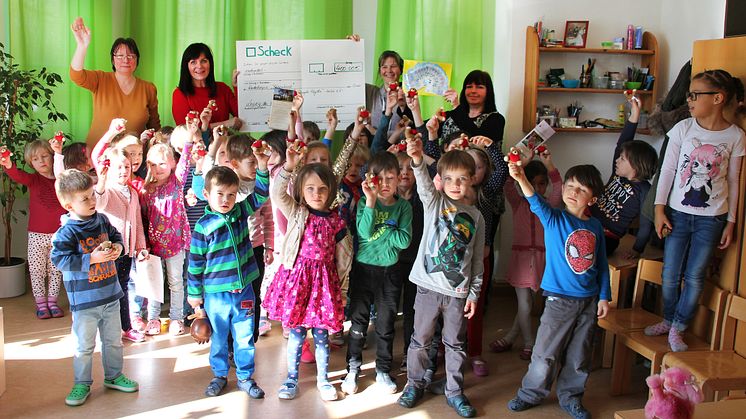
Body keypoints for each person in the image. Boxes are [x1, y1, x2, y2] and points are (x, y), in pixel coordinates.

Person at [645, 69, 746, 352]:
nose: (688, 100)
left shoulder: (736, 136)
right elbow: (667, 171)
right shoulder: (683, 129)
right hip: (677, 214)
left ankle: (679, 326)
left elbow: (735, 181)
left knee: (695, 275)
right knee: (670, 273)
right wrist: (659, 209)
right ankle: (668, 318)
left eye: (694, 95)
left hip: (711, 219)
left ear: (717, 98)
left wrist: (731, 222)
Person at [505, 162, 609, 419]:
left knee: (579, 355)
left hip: (588, 301)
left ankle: (571, 397)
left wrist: (605, 296)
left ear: (592, 199)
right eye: (570, 185)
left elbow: (602, 264)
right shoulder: (554, 218)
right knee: (544, 354)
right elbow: (534, 200)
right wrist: (519, 177)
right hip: (559, 301)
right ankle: (529, 394)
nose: (573, 191)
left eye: (581, 189)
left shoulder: (595, 227)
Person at [397, 135, 485, 418]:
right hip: (428, 287)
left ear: (472, 179)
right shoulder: (434, 204)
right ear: (442, 180)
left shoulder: (477, 217)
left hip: (457, 293)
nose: (456, 185)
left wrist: (473, 293)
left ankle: (454, 391)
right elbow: (422, 181)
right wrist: (418, 159)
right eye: (449, 179)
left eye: (462, 179)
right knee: (420, 340)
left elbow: (477, 262)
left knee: (455, 344)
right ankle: (414, 383)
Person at [262, 148, 353, 401]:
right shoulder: (297, 213)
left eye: (322, 189)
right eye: (310, 188)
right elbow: (276, 193)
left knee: (322, 334)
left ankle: (323, 380)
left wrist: (342, 292)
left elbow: (344, 261)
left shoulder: (337, 223)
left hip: (323, 286)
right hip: (298, 283)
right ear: (301, 190)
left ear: (331, 192)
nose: (316, 194)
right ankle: (291, 378)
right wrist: (289, 168)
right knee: (297, 333)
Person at [50, 169, 139, 406]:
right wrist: (92, 259)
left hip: (110, 296)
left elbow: (116, 236)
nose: (92, 201)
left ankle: (114, 375)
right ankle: (81, 383)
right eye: (85, 198)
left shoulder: (101, 219)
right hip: (85, 303)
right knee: (84, 346)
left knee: (113, 341)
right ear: (69, 205)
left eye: (92, 195)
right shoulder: (66, 232)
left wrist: (119, 248)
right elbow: (59, 260)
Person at [187, 160, 269, 398]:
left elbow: (261, 195)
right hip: (216, 295)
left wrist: (262, 168)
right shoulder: (203, 227)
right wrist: (195, 296)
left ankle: (245, 377)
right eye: (220, 194)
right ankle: (219, 375)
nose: (226, 200)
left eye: (231, 195)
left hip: (244, 290)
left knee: (244, 338)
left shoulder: (240, 212)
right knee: (219, 339)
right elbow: (195, 265)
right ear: (206, 194)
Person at [342, 151, 413, 395]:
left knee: (385, 324)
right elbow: (363, 233)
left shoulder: (404, 207)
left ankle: (383, 370)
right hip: (363, 270)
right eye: (379, 179)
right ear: (371, 180)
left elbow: (404, 241)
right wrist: (371, 203)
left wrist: (380, 229)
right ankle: (352, 368)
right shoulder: (365, 202)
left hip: (390, 273)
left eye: (390, 178)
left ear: (398, 179)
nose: (384, 184)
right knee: (359, 323)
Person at [491, 151, 562, 360]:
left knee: (528, 302)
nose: (537, 188)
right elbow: (507, 184)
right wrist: (522, 164)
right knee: (525, 304)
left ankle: (512, 336)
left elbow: (559, 187)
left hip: (542, 260)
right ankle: (530, 342)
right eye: (532, 183)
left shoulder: (550, 205)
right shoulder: (518, 202)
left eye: (542, 184)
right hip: (521, 260)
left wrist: (550, 165)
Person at [69, 17, 160, 152]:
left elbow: (155, 126)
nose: (125, 60)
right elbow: (76, 75)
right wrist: (82, 46)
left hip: (132, 158)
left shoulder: (148, 88)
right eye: (120, 56)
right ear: (113, 59)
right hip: (98, 154)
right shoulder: (101, 79)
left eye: (131, 56)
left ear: (137, 60)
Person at [139, 122, 196, 336]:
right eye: (152, 165)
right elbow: (143, 220)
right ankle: (153, 319)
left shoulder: (177, 182)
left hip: (176, 245)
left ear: (172, 163)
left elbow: (187, 159)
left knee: (176, 283)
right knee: (154, 284)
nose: (157, 169)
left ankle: (176, 318)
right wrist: (143, 245)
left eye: (162, 163)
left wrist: (190, 136)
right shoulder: (147, 190)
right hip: (153, 247)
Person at [1, 140, 66, 319]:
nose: (41, 161)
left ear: (52, 157)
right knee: (37, 271)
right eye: (35, 159)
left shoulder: (62, 178)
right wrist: (8, 163)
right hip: (36, 235)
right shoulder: (33, 179)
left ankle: (52, 302)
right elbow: (17, 175)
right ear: (31, 163)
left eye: (45, 156)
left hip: (59, 235)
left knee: (56, 270)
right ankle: (41, 304)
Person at [590, 96, 658, 256]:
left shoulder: (644, 190)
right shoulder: (618, 174)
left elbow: (646, 223)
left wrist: (637, 248)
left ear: (636, 165)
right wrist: (634, 114)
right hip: (589, 221)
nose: (617, 160)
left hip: (608, 236)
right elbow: (623, 141)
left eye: (622, 158)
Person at [93, 146, 148, 343]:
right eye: (118, 167)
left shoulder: (133, 193)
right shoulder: (107, 190)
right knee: (106, 290)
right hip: (108, 252)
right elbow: (98, 202)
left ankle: (126, 327)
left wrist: (141, 247)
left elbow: (138, 222)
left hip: (126, 252)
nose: (123, 170)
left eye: (126, 166)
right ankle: (106, 329)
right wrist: (100, 180)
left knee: (123, 288)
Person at [172, 43, 242, 130]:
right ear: (186, 66)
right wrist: (225, 124)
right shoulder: (180, 94)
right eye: (193, 62)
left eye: (203, 61)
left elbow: (242, 115)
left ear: (210, 64)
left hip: (225, 142)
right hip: (198, 143)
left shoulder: (223, 88)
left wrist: (237, 87)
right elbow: (185, 129)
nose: (199, 66)